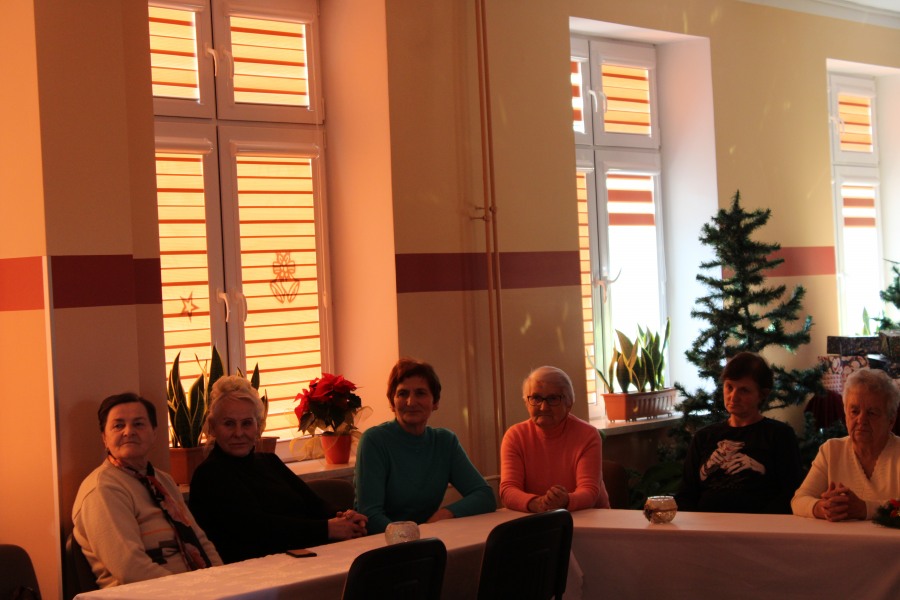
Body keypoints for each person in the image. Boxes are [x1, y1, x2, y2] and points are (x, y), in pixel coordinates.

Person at [189, 376, 367, 563]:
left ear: (258, 427)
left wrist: (346, 516)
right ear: (212, 428)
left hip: (303, 560)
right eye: (229, 424)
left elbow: (314, 503)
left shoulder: (269, 462)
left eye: (247, 423)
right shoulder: (209, 475)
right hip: (252, 571)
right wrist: (328, 528)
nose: (239, 433)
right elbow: (257, 529)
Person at [72, 393, 222, 588]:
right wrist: (189, 591)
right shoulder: (102, 489)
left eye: (138, 424)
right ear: (104, 438)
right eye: (118, 426)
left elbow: (200, 541)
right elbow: (130, 568)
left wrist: (222, 581)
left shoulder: (163, 480)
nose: (129, 432)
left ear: (154, 434)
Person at [355, 358, 496, 533]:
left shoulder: (445, 442)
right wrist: (409, 536)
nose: (411, 402)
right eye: (402, 394)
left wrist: (444, 514)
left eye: (420, 393)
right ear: (392, 402)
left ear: (435, 402)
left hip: (427, 538)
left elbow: (484, 496)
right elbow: (370, 515)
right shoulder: (374, 441)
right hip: (383, 542)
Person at [676, 352, 802, 513]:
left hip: (760, 524)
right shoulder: (704, 437)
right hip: (706, 523)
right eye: (729, 387)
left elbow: (791, 492)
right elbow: (686, 494)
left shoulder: (779, 435)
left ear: (762, 395)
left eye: (744, 390)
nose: (733, 397)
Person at [792, 368, 900, 521]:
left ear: (891, 421)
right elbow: (799, 500)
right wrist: (822, 507)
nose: (861, 420)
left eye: (871, 413)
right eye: (854, 411)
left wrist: (865, 509)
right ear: (846, 414)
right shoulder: (831, 450)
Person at [500, 366, 610, 512]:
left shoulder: (587, 435)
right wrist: (538, 503)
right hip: (535, 519)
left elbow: (589, 492)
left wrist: (565, 501)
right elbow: (508, 490)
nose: (544, 407)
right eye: (536, 398)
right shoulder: (515, 436)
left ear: (569, 403)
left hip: (590, 517)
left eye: (553, 399)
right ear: (526, 402)